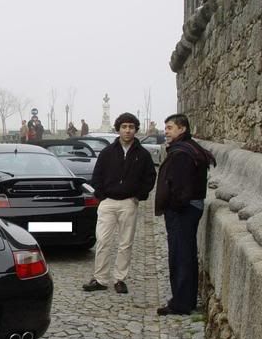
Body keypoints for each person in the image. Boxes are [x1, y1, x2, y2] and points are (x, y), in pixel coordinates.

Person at [82, 112, 156, 294]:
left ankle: (120, 279)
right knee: (103, 241)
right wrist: (101, 195)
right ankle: (100, 278)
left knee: (125, 243)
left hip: (129, 203)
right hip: (108, 202)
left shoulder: (143, 154)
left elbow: (150, 177)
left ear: (135, 130)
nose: (128, 130)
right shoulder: (107, 153)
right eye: (124, 127)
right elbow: (97, 175)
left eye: (131, 127)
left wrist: (138, 195)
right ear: (118, 129)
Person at [155, 113, 216, 316]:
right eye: (166, 127)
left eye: (170, 127)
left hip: (182, 211)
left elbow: (180, 188)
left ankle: (180, 303)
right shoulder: (189, 148)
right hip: (188, 209)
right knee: (185, 254)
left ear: (182, 129)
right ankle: (185, 299)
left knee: (180, 256)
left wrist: (173, 207)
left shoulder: (182, 153)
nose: (166, 131)